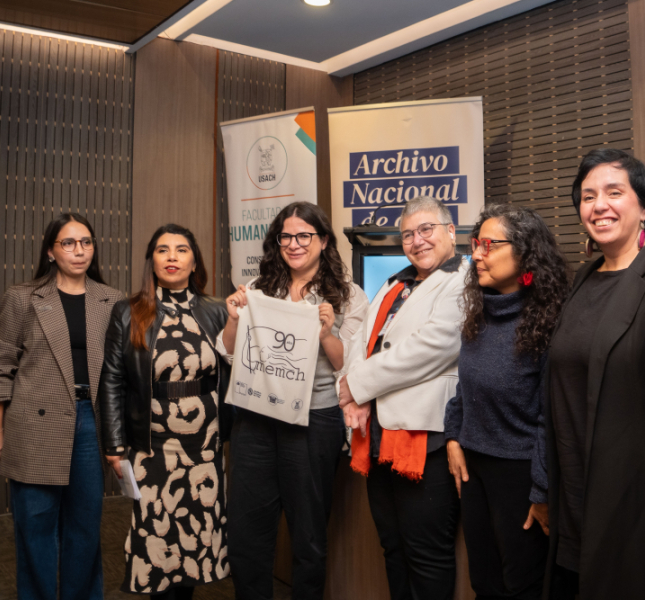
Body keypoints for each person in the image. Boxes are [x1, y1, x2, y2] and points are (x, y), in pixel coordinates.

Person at [543, 148, 645, 599]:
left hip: (633, 495)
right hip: (575, 485)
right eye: (587, 196)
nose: (598, 205)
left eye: (613, 192)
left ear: (644, 206)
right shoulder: (584, 276)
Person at [218, 201, 368, 600]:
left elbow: (348, 365)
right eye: (286, 236)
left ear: (322, 241)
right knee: (247, 533)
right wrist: (234, 319)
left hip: (312, 421)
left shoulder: (349, 297)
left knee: (309, 533)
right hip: (254, 419)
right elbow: (230, 353)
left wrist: (325, 331)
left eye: (304, 235)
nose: (294, 243)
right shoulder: (257, 289)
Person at [0, 213, 123, 600]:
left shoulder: (112, 300)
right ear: (50, 251)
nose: (79, 251)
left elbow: (121, 372)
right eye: (69, 243)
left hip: (91, 424)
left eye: (86, 242)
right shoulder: (23, 297)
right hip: (34, 425)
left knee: (85, 527)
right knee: (36, 526)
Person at [338, 195, 467, 600]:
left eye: (426, 230)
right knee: (393, 549)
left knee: (426, 555)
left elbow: (431, 348)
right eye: (408, 234)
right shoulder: (397, 283)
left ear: (450, 232)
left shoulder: (464, 280)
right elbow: (361, 342)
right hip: (378, 438)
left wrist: (356, 387)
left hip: (423, 441)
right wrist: (352, 397)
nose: (417, 240)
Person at [99, 224, 232, 599]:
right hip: (152, 445)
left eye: (181, 250)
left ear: (194, 262)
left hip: (204, 446)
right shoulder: (127, 312)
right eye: (162, 250)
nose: (172, 257)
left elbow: (235, 370)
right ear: (152, 261)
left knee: (194, 536)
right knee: (157, 535)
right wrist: (113, 443)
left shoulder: (218, 310)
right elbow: (112, 381)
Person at [444, 204, 568, 600]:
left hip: (521, 476)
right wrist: (453, 437)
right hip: (474, 470)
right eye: (475, 244)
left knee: (523, 587)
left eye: (488, 245)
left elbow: (552, 418)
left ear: (525, 252)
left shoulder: (552, 323)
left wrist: (542, 490)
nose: (476, 254)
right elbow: (465, 388)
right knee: (485, 583)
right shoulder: (479, 313)